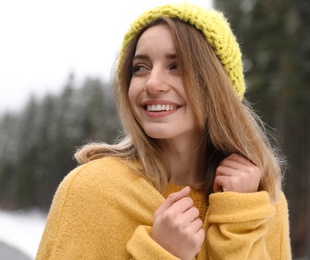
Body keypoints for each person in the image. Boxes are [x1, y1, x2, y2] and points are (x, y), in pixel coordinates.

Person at [36, 2, 291, 259]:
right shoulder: (91, 191)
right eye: (140, 68)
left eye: (176, 66)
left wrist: (239, 221)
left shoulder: (264, 201)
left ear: (217, 85)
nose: (153, 83)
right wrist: (161, 253)